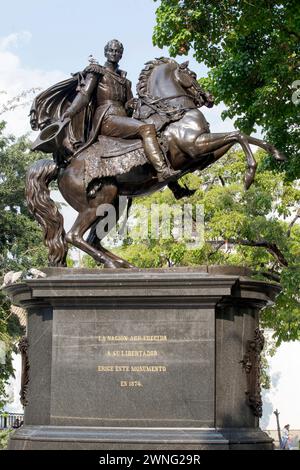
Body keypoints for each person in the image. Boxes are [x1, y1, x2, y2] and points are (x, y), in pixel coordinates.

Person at [61, 39, 180, 182]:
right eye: (111, 50)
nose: (114, 53)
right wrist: (71, 111)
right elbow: (84, 95)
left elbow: (127, 103)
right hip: (107, 118)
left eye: (117, 51)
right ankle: (162, 171)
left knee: (161, 132)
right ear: (105, 53)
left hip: (123, 118)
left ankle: (173, 184)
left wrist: (131, 104)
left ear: (121, 55)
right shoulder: (97, 72)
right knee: (147, 129)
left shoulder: (125, 81)